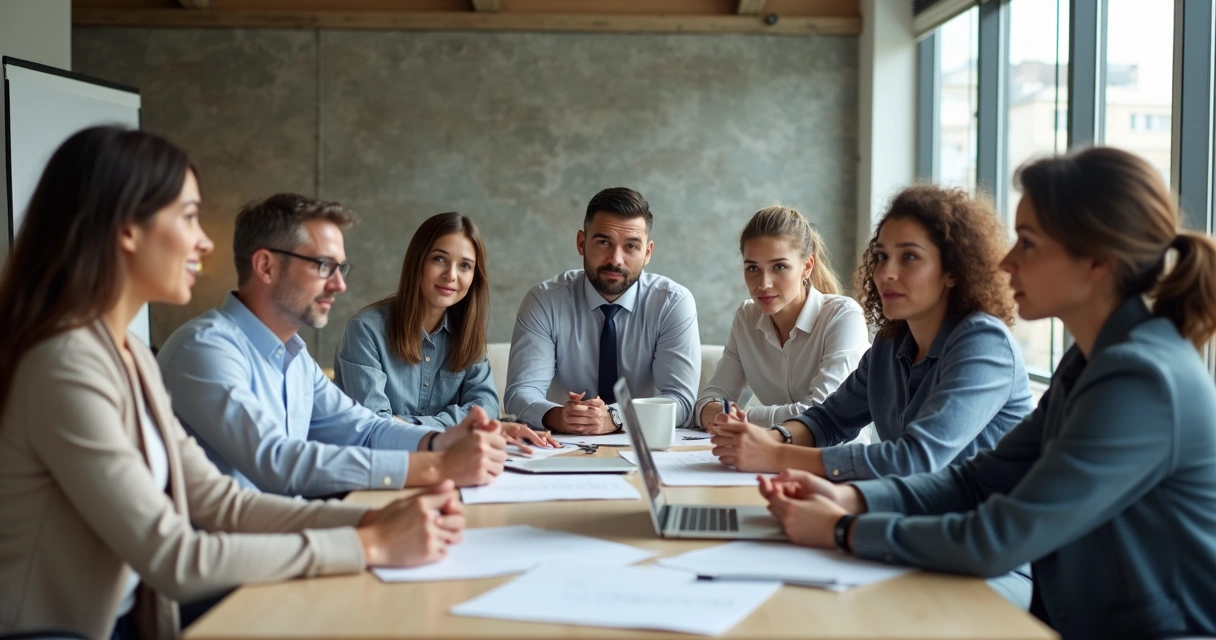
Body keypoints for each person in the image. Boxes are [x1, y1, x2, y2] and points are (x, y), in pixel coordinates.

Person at [0, 127, 464, 640]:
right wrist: (370, 544)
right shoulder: (66, 365)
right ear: (126, 229)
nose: (205, 240)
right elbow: (174, 553)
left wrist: (371, 523)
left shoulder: (128, 354)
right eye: (190, 216)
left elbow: (222, 503)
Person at [760, 147, 1216, 638]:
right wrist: (850, 498)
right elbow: (978, 481)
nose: (1006, 260)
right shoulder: (1089, 360)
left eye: (1028, 243)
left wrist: (842, 528)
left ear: (1098, 261)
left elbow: (999, 535)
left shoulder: (1139, 378)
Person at [158, 194, 507, 499]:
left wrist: (440, 442)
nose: (340, 285)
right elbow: (277, 461)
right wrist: (437, 465)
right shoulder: (205, 350)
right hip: (234, 557)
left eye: (341, 268)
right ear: (265, 266)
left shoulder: (295, 358)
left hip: (289, 528)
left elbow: (366, 429)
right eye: (324, 266)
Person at [335, 211, 558, 447]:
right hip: (378, 469)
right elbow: (376, 428)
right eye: (439, 259)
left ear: (474, 277)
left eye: (464, 266)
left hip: (450, 462)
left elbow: (487, 408)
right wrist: (461, 426)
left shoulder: (466, 333)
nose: (451, 275)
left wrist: (410, 424)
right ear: (417, 261)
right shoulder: (365, 330)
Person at [504, 187, 701, 434]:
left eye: (631, 246)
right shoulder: (544, 301)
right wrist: (558, 416)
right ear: (581, 243)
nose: (615, 259)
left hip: (644, 444)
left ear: (647, 253)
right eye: (603, 242)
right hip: (562, 445)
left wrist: (616, 417)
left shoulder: (672, 303)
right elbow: (520, 392)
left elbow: (681, 400)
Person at [695, 205, 869, 431]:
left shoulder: (843, 316)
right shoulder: (746, 317)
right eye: (752, 268)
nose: (763, 284)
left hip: (832, 459)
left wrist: (743, 417)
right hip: (769, 454)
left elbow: (822, 411)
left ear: (807, 266)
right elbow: (711, 398)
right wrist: (712, 410)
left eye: (779, 266)